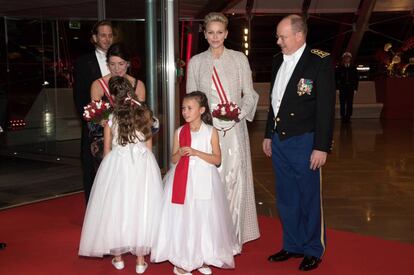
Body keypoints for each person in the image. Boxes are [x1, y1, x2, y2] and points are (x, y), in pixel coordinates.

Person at [262, 14, 335, 271]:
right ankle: (292, 244)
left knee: (309, 198)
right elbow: (275, 102)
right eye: (278, 36)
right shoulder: (276, 61)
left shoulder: (319, 62)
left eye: (282, 36)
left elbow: (326, 109)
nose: (278, 41)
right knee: (286, 197)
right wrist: (269, 134)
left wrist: (321, 146)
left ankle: (313, 248)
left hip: (306, 141)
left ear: (299, 35)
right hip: (281, 141)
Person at [186, 12, 260, 248]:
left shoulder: (239, 59)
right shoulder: (196, 62)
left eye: (220, 32)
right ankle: (209, 236)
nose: (215, 37)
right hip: (208, 130)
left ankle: (232, 236)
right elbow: (191, 99)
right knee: (210, 181)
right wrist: (200, 125)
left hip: (234, 129)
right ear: (204, 34)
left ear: (226, 34)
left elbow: (250, 94)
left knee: (233, 180)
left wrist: (238, 113)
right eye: (211, 32)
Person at [78, 76, 162, 274]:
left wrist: (107, 171)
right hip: (142, 165)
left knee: (116, 208)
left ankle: (118, 257)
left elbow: (107, 149)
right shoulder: (144, 115)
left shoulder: (111, 118)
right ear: (131, 92)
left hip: (118, 165)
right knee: (141, 208)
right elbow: (149, 148)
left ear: (113, 96)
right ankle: (140, 260)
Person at [151, 91, 240, 275]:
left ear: (201, 110)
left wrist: (196, 152)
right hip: (183, 180)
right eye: (183, 108)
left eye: (189, 108)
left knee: (204, 218)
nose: (185, 112)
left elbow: (217, 159)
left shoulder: (210, 131)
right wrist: (181, 153)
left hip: (204, 178)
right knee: (184, 219)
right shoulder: (179, 132)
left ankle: (201, 256)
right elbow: (173, 159)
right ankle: (182, 259)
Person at [73, 20, 114, 202]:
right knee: (92, 170)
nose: (107, 39)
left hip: (120, 127)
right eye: (103, 35)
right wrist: (98, 120)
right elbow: (80, 98)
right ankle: (93, 212)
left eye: (110, 35)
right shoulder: (83, 62)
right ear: (95, 38)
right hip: (95, 126)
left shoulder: (120, 61)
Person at [336, 52, 359, 123]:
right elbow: (336, 79)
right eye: (345, 57)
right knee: (342, 103)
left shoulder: (353, 68)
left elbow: (356, 79)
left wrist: (355, 88)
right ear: (343, 59)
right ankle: (343, 117)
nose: (347, 58)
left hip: (350, 88)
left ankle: (348, 117)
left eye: (348, 57)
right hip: (342, 88)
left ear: (350, 59)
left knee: (350, 103)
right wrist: (337, 88)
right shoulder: (339, 68)